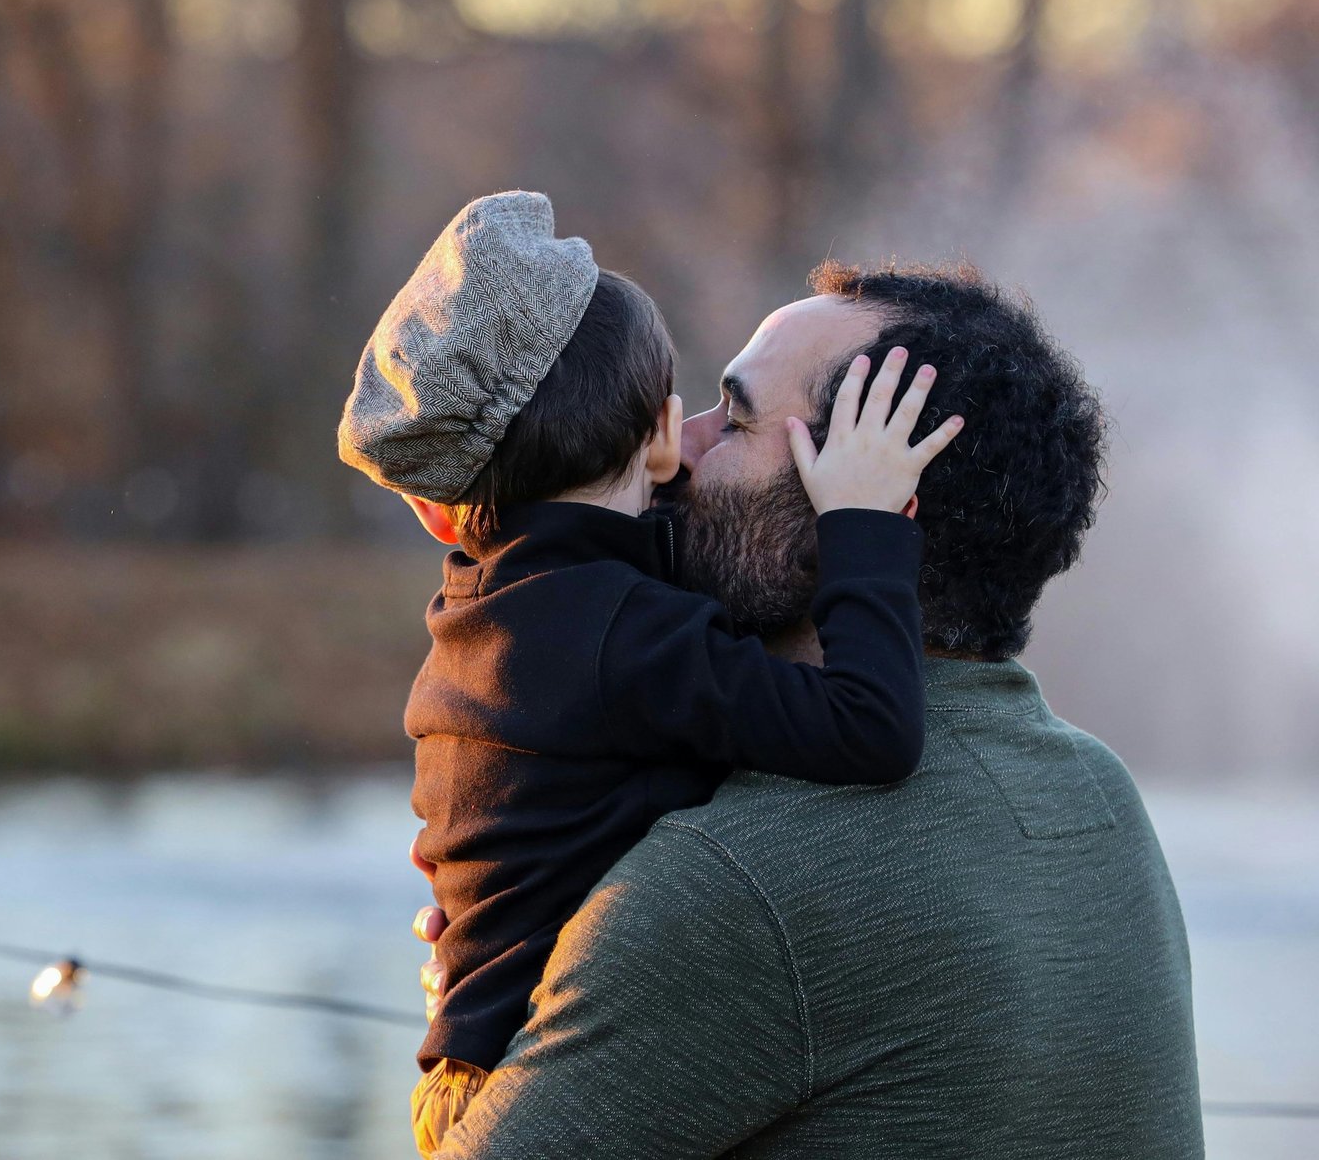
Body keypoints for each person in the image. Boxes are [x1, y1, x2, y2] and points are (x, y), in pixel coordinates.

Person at [415, 260, 1204, 1159]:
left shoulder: (735, 880)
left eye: (737, 417)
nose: (683, 445)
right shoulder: (1098, 797)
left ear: (857, 511)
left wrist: (468, 1004)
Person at [335, 192, 964, 1158]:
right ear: (665, 440)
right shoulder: (623, 636)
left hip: (464, 1070)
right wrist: (864, 526)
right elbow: (872, 728)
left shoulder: (490, 609)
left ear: (439, 515)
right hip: (534, 1090)